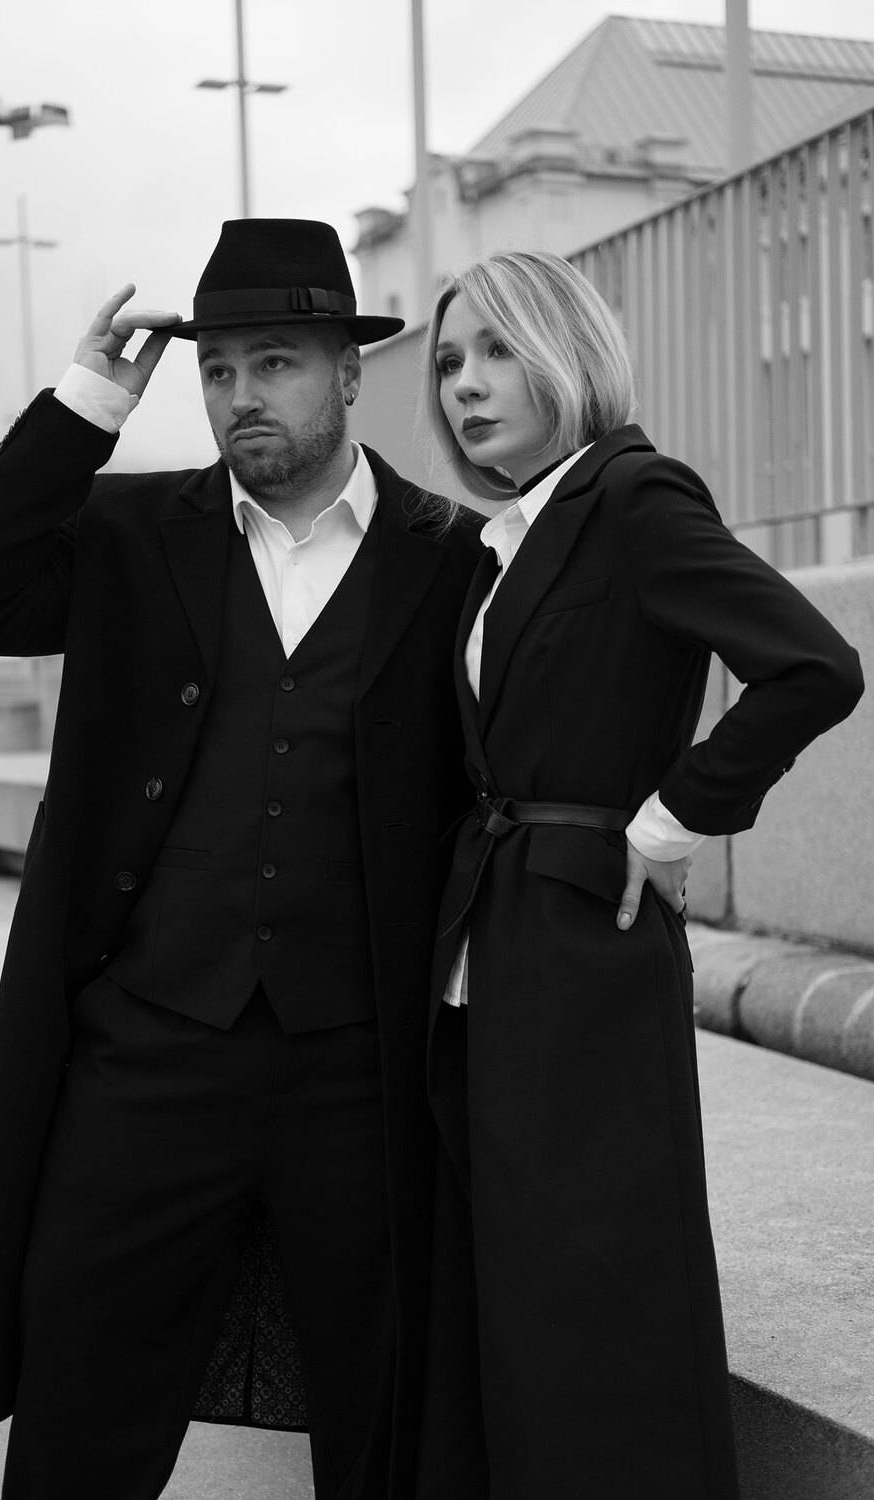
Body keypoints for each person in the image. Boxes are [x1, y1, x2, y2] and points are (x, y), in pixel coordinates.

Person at [0, 219, 483, 1500]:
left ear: (348, 373)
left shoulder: (452, 557)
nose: (238, 395)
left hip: (359, 1068)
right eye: (216, 370)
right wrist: (88, 404)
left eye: (273, 363)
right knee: (82, 1409)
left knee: (383, 1410)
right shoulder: (127, 532)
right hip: (150, 1053)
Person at [419, 251, 864, 1499]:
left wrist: (667, 823)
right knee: (520, 1269)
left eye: (498, 350)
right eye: (448, 362)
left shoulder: (631, 494)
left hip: (583, 936)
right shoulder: (510, 536)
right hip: (496, 931)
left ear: (566, 353)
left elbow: (813, 667)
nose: (464, 385)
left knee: (597, 1272)